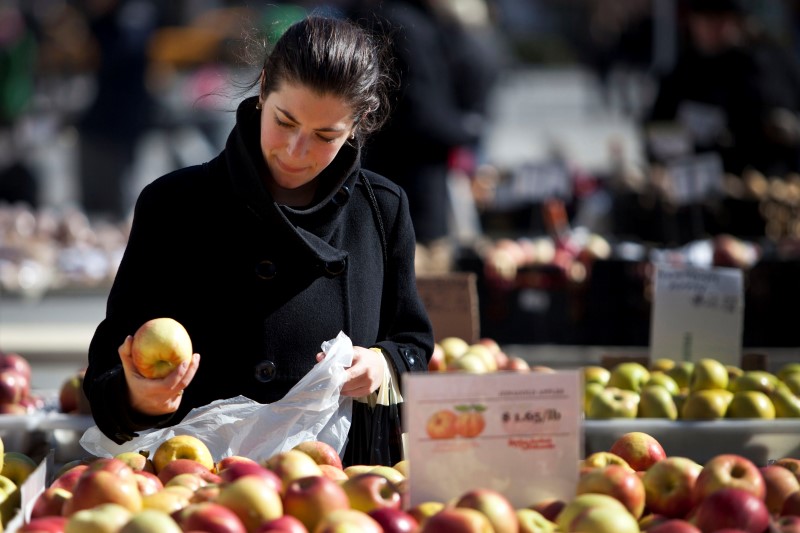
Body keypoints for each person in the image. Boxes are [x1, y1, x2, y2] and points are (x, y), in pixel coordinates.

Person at [82, 14, 434, 467]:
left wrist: (382, 365)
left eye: (325, 135)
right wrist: (139, 395)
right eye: (284, 122)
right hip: (196, 489)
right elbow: (105, 371)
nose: (295, 151)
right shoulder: (173, 205)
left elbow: (413, 343)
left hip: (339, 492)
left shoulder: (382, 210)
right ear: (263, 88)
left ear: (359, 123)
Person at [347, 0, 499, 248]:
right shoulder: (407, 24)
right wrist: (470, 128)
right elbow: (422, 115)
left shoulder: (387, 16)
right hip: (412, 190)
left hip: (382, 183)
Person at [646, 0, 800, 177]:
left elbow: (771, 132)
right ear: (692, 22)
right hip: (692, 180)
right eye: (706, 20)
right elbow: (658, 132)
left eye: (720, 20)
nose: (712, 29)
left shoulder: (759, 68)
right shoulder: (681, 74)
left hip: (751, 182)